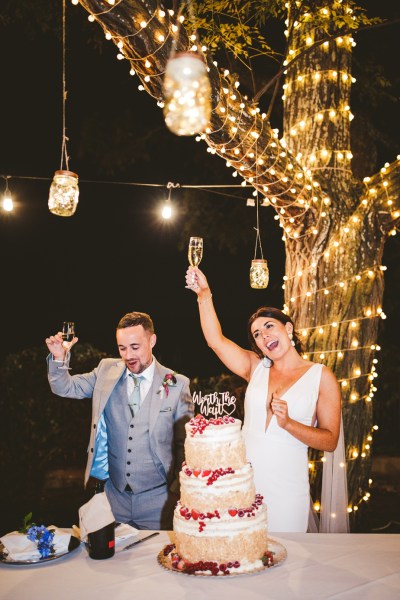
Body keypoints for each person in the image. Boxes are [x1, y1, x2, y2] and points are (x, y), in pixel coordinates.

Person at [185, 267, 348, 533]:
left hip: (287, 489)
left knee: (286, 561)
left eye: (269, 326)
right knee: (244, 556)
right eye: (257, 335)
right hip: (243, 484)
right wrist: (204, 295)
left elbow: (329, 441)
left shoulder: (321, 376)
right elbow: (215, 341)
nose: (264, 336)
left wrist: (289, 424)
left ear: (289, 328)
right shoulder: (255, 368)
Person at [46, 311, 193, 530]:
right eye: (122, 348)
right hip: (115, 500)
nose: (128, 356)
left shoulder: (177, 383)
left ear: (152, 340)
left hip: (159, 502)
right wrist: (59, 358)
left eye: (135, 347)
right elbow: (66, 387)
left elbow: (186, 444)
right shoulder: (106, 370)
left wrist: (177, 489)